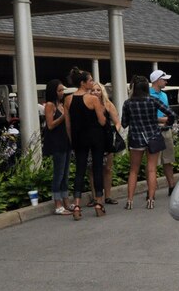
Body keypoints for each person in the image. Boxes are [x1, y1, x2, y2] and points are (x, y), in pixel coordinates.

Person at [122, 75, 174, 210]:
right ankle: (151, 200)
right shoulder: (153, 100)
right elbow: (171, 114)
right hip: (153, 136)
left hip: (136, 138)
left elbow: (124, 123)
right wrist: (166, 123)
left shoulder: (128, 103)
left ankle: (129, 201)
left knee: (133, 170)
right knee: (152, 169)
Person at [65, 67, 107, 220]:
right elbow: (102, 121)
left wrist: (71, 140)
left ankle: (76, 205)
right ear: (83, 83)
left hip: (78, 138)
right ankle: (99, 202)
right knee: (97, 169)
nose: (92, 83)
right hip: (95, 136)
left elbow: (68, 124)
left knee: (80, 171)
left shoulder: (68, 99)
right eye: (90, 80)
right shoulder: (93, 99)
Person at [86, 82, 121, 206]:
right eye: (93, 90)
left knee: (107, 169)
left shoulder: (108, 104)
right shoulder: (87, 104)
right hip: (91, 140)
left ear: (102, 92)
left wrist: (113, 133)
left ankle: (108, 196)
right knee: (92, 169)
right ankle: (95, 197)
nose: (95, 92)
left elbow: (117, 122)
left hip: (106, 140)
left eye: (98, 90)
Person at [42, 79, 72, 215]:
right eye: (59, 90)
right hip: (56, 142)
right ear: (53, 91)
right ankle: (57, 203)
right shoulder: (50, 105)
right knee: (58, 174)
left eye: (62, 90)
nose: (61, 93)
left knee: (65, 173)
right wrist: (63, 117)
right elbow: (50, 125)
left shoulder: (61, 104)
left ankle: (66, 200)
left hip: (66, 141)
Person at [148, 69, 177, 194]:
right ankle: (150, 191)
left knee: (168, 159)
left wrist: (166, 120)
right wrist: (161, 119)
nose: (166, 81)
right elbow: (147, 116)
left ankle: (172, 186)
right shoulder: (148, 95)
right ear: (156, 80)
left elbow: (168, 112)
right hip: (153, 130)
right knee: (152, 163)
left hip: (166, 130)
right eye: (164, 79)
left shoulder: (164, 95)